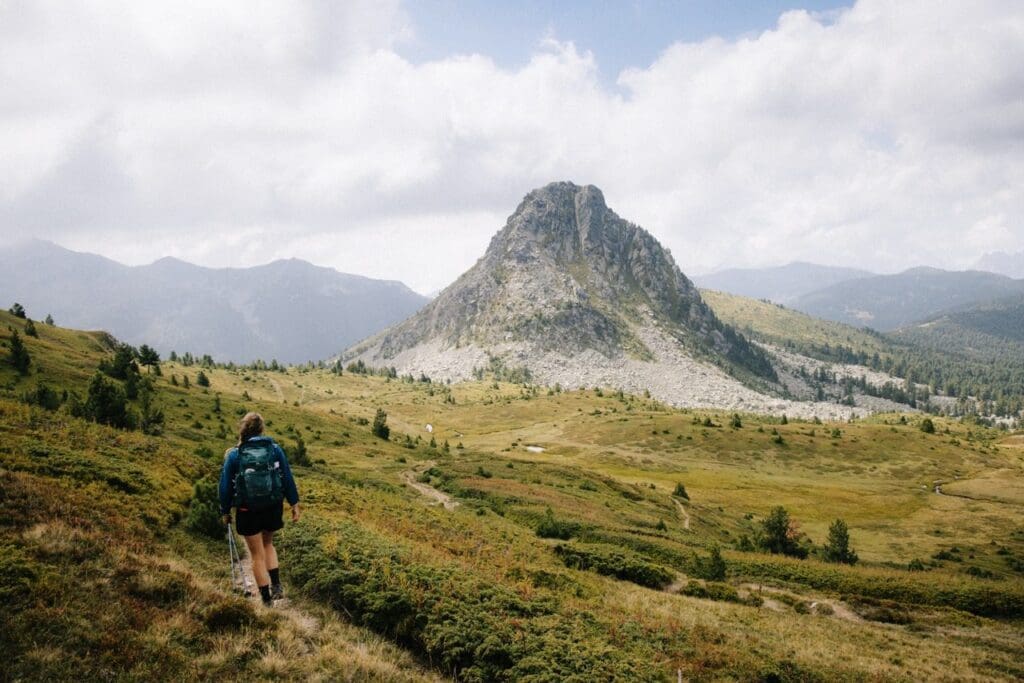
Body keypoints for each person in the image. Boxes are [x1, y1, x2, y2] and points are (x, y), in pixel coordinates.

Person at [219, 411, 301, 605]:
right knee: (268, 544)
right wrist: (294, 503)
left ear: (243, 429)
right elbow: (286, 477)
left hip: (248, 510)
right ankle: (277, 586)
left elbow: (224, 486)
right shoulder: (274, 449)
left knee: (256, 555)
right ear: (261, 429)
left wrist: (225, 510)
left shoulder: (234, 455)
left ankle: (266, 600)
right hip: (272, 506)